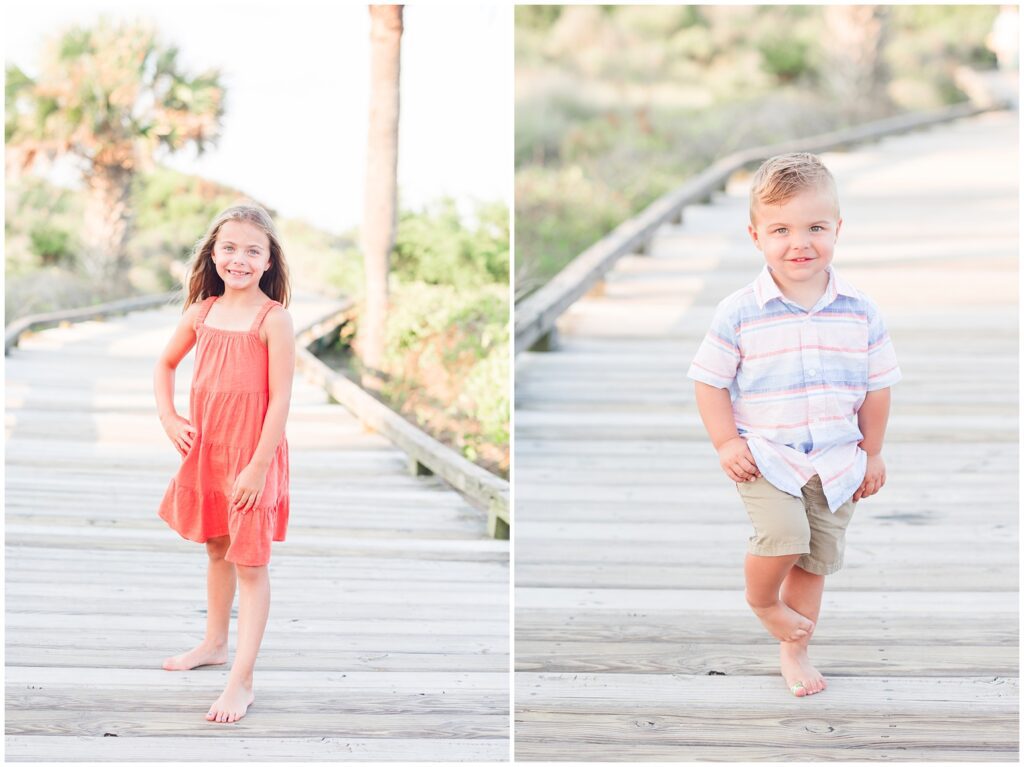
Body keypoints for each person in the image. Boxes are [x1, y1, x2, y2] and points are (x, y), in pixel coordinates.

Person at [687, 153, 900, 697]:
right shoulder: (739, 312)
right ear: (756, 235)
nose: (799, 242)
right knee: (782, 537)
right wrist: (725, 442)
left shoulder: (860, 310)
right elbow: (709, 380)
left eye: (815, 228)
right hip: (767, 457)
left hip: (837, 460)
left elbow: (877, 388)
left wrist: (872, 453)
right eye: (780, 229)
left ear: (837, 229)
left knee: (815, 559)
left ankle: (795, 650)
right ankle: (761, 601)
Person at [154, 203, 295, 723]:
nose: (239, 258)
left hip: (252, 455)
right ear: (213, 254)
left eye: (252, 250)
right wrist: (169, 417)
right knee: (217, 548)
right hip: (208, 450)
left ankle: (243, 679)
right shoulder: (201, 313)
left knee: (250, 562)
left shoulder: (273, 319)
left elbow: (280, 399)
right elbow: (165, 364)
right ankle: (214, 643)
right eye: (229, 248)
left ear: (267, 260)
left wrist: (259, 467)